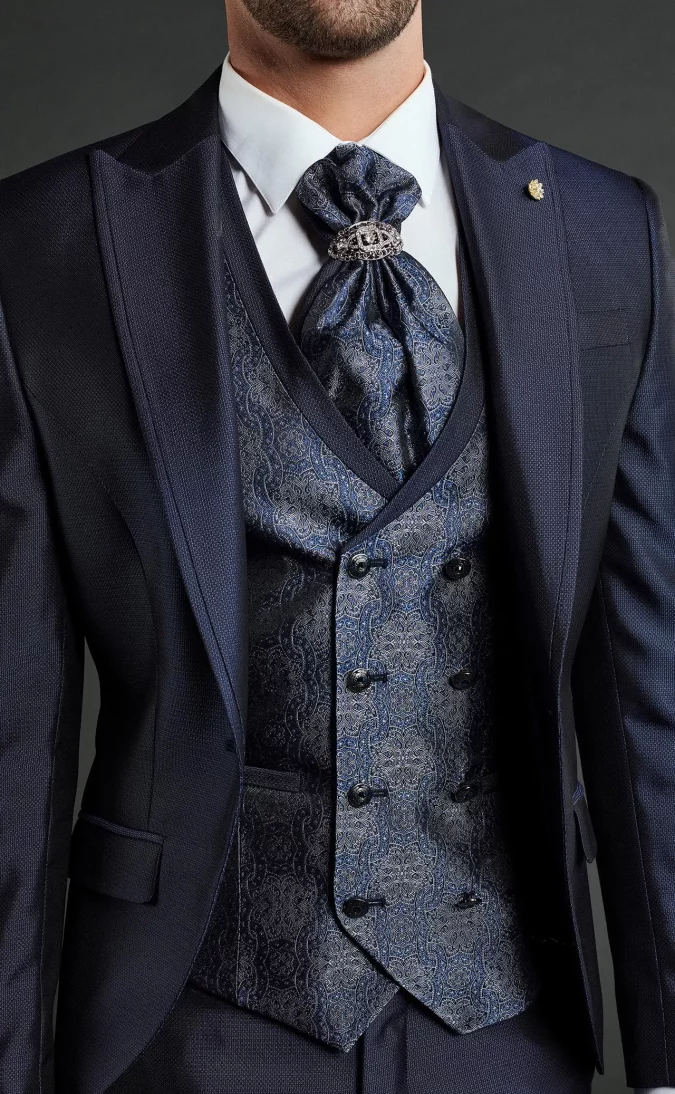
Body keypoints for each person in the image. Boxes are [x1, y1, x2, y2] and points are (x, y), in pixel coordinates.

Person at [0, 0, 673, 1091]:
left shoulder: (603, 230)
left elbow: (651, 688)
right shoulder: (42, 243)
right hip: (181, 1028)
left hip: (507, 1030)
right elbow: (12, 720)